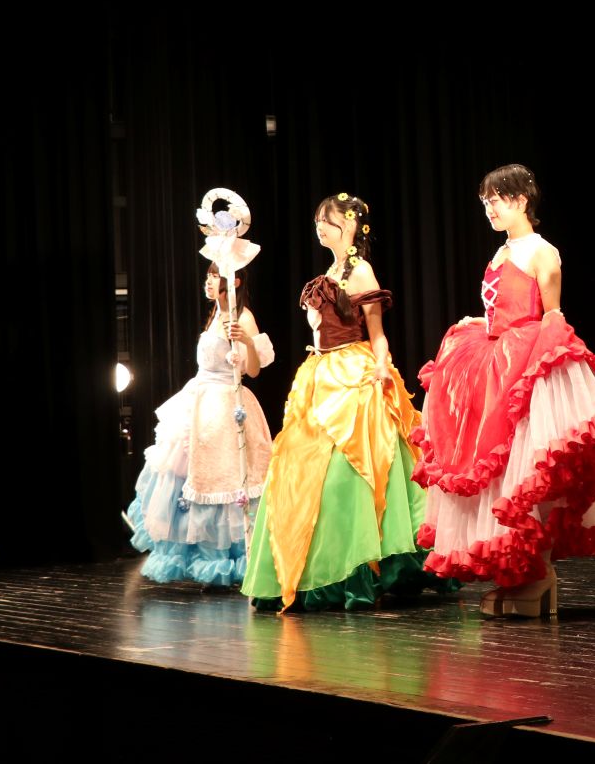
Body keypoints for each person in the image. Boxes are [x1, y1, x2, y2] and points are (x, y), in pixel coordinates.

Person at [413, 164, 595, 618]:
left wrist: (539, 363)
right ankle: (521, 575)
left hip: (526, 360)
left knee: (529, 469)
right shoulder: (501, 251)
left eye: (496, 200)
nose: (489, 208)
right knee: (500, 471)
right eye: (485, 202)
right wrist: (481, 322)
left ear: (521, 200)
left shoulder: (541, 251)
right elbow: (502, 309)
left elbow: (550, 315)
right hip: (493, 359)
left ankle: (541, 576)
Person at [241, 194, 445, 611]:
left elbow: (377, 332)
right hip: (320, 374)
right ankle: (314, 571)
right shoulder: (328, 273)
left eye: (327, 220)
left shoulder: (361, 271)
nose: (320, 226)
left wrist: (382, 366)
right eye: (317, 220)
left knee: (350, 474)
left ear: (349, 226)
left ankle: (359, 567)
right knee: (301, 472)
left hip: (354, 372)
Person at [127, 263, 274, 586]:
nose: (208, 281)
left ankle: (229, 559)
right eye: (208, 275)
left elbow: (253, 370)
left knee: (224, 478)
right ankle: (200, 555)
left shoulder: (243, 316)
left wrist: (247, 343)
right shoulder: (215, 315)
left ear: (234, 281)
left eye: (214, 276)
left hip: (225, 402)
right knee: (186, 474)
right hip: (200, 399)